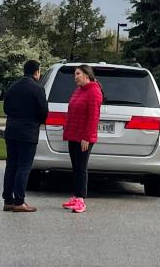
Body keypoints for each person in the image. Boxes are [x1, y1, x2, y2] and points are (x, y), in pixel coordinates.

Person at [1, 60, 48, 213]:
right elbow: (43, 113)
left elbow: (6, 108)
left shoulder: (13, 86)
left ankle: (8, 200)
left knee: (11, 165)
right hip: (28, 132)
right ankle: (19, 201)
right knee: (24, 166)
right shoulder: (38, 89)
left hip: (12, 130)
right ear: (37, 72)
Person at [61, 64, 103, 213]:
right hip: (73, 135)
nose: (75, 77)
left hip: (83, 138)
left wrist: (86, 137)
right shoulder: (79, 90)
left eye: (78, 74)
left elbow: (93, 118)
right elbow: (72, 110)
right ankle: (76, 195)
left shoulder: (94, 92)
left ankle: (81, 200)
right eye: (75, 74)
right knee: (75, 167)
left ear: (87, 75)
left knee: (81, 167)